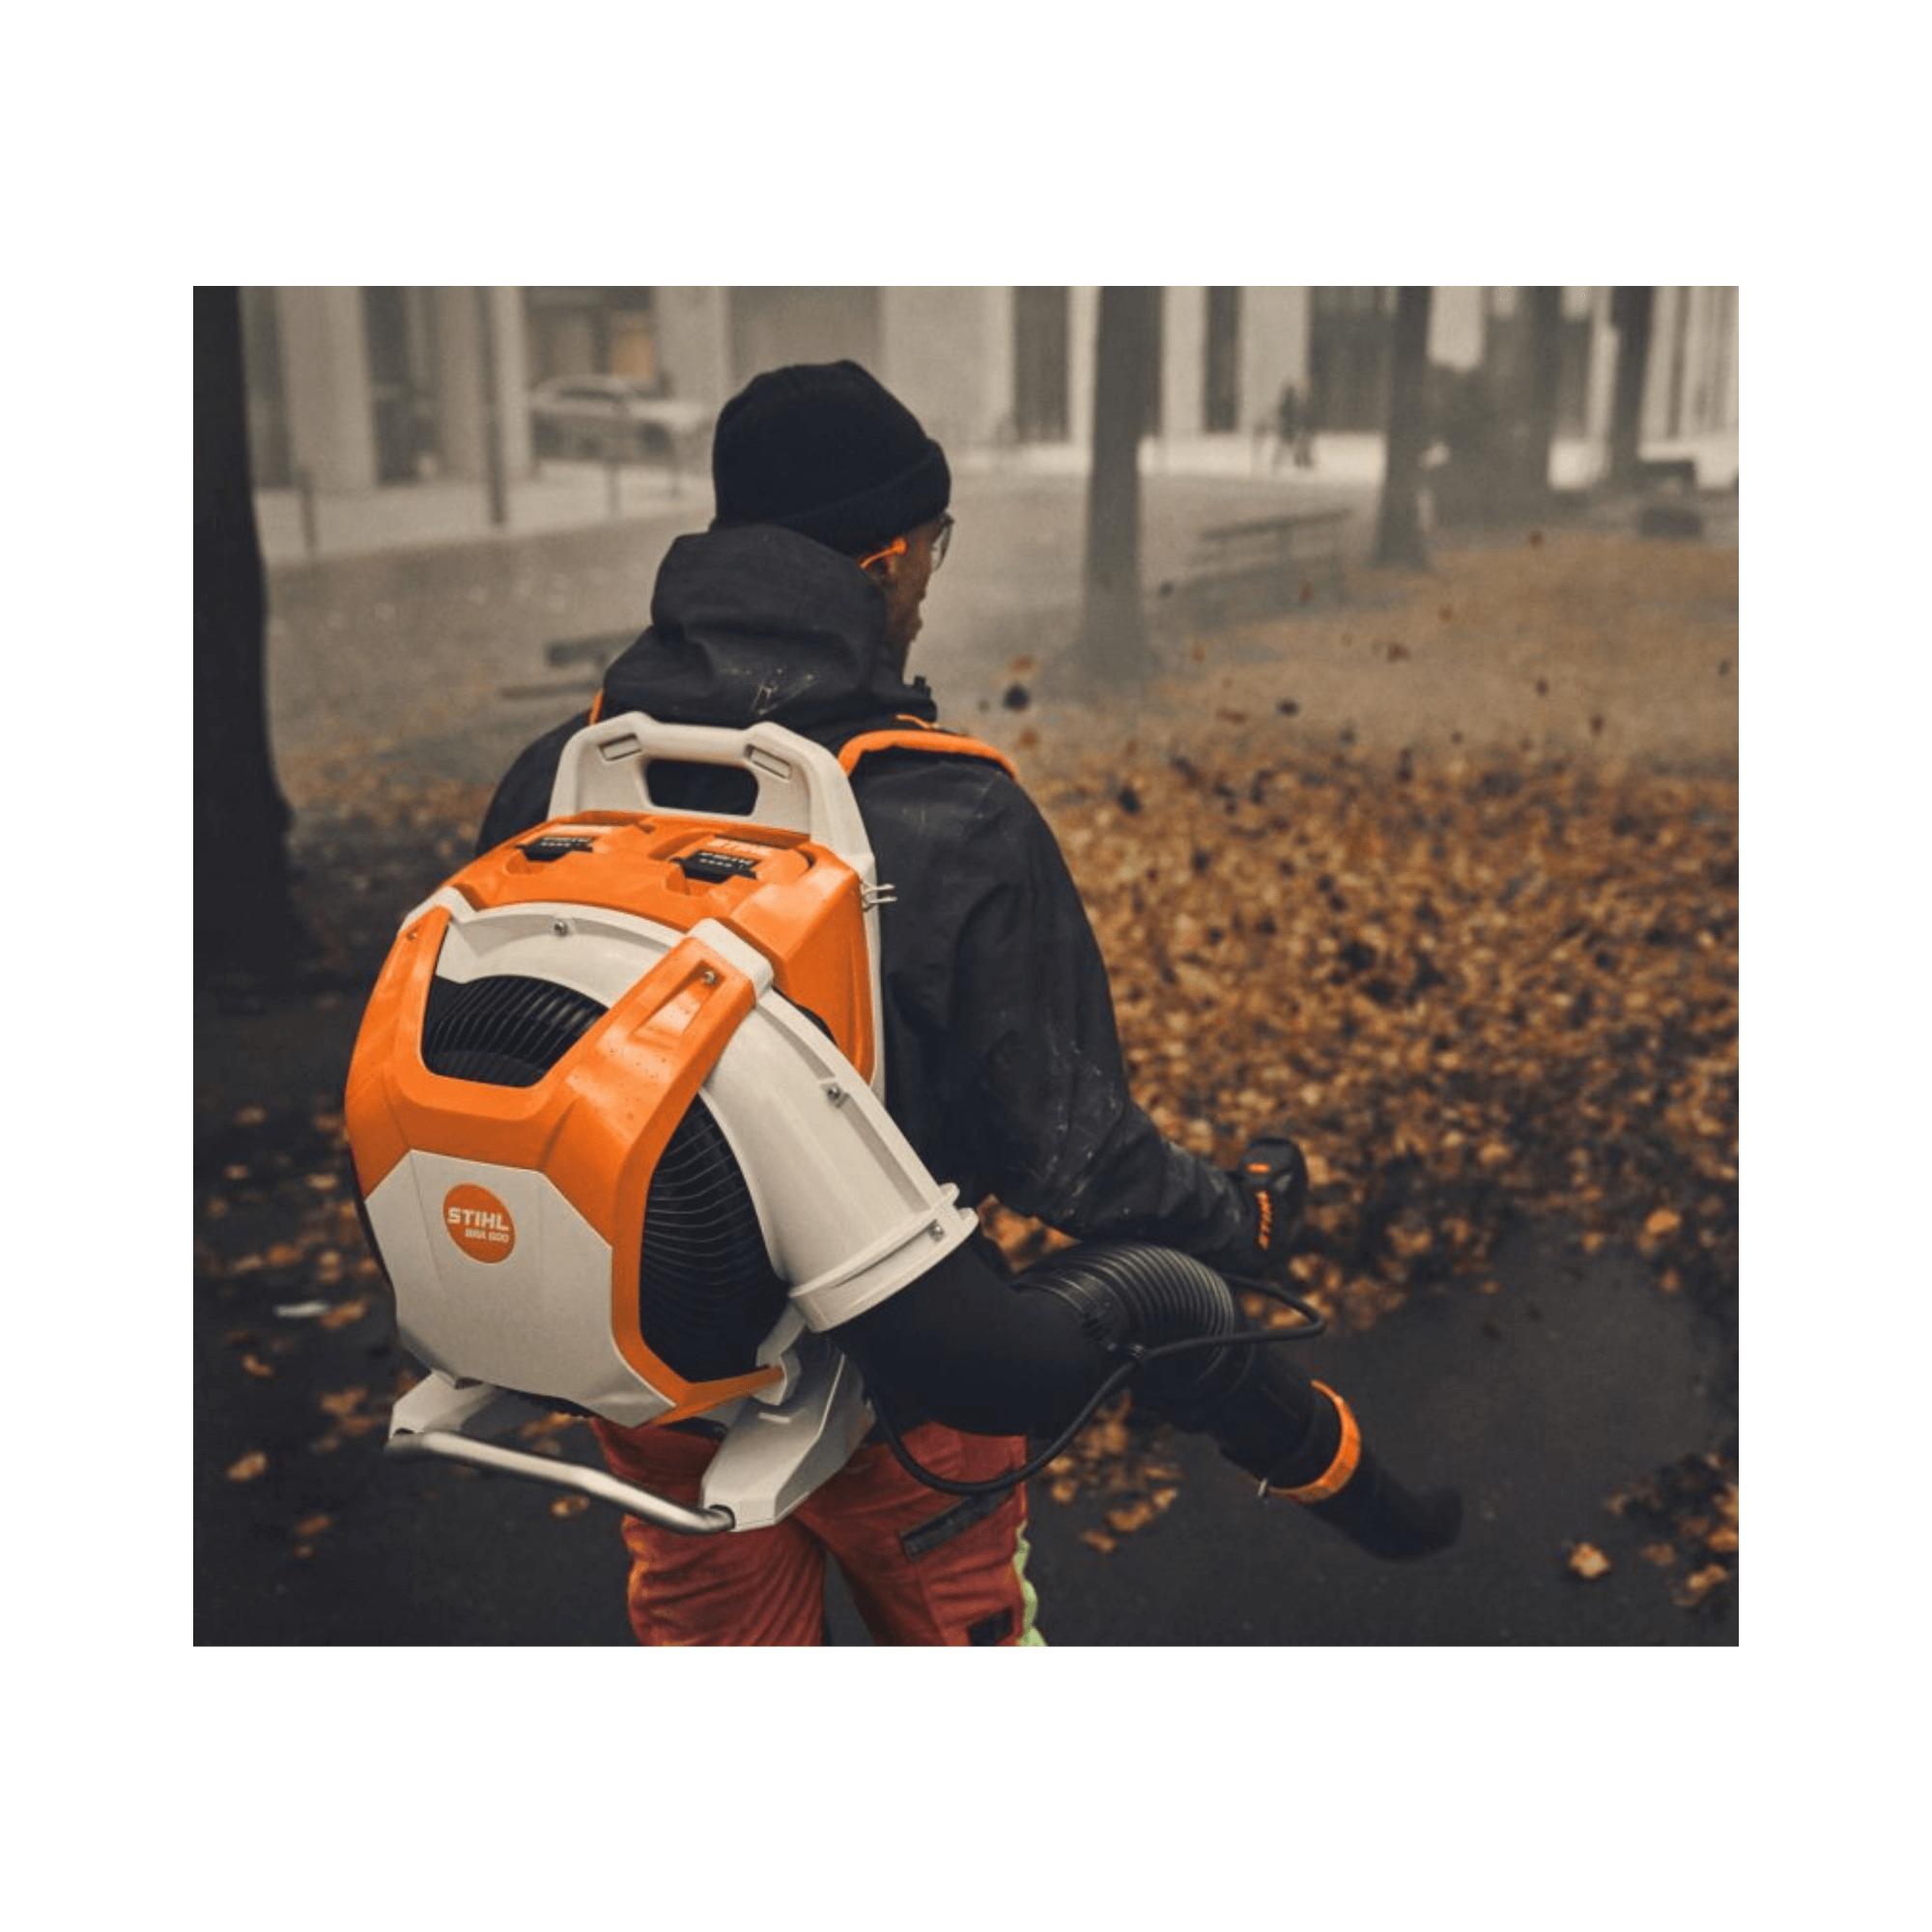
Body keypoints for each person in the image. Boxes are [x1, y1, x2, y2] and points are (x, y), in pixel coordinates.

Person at [479, 360, 1456, 1646]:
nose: (930, 589)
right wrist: (1242, 1213)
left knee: (710, 1636)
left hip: (648, 1358)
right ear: (884, 558)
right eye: (934, 550)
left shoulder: (557, 776)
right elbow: (1074, 1155)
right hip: (902, 1392)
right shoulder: (947, 814)